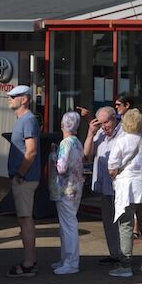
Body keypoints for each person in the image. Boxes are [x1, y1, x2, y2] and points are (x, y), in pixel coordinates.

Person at [107, 108, 142, 277]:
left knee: (126, 227)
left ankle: (125, 265)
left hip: (127, 187)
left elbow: (112, 167)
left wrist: (116, 174)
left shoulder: (121, 142)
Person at [6, 85, 40, 278]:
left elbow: (31, 151)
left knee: (25, 219)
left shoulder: (28, 120)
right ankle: (30, 261)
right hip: (23, 178)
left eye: (13, 96)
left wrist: (20, 174)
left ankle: (28, 264)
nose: (9, 98)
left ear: (24, 99)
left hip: (24, 179)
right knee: (24, 219)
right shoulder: (24, 120)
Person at [83, 106, 122, 265]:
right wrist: (90, 133)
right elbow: (87, 153)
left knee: (121, 222)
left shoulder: (123, 134)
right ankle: (114, 254)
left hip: (119, 185)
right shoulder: (99, 133)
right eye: (101, 123)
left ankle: (124, 255)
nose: (104, 126)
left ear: (114, 119)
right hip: (104, 184)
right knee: (108, 220)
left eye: (106, 122)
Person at [49, 111, 84, 275]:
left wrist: (53, 155)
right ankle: (65, 260)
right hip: (75, 187)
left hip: (65, 189)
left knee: (68, 226)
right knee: (67, 225)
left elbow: (61, 168)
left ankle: (71, 262)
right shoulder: (77, 142)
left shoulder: (65, 143)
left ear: (62, 125)